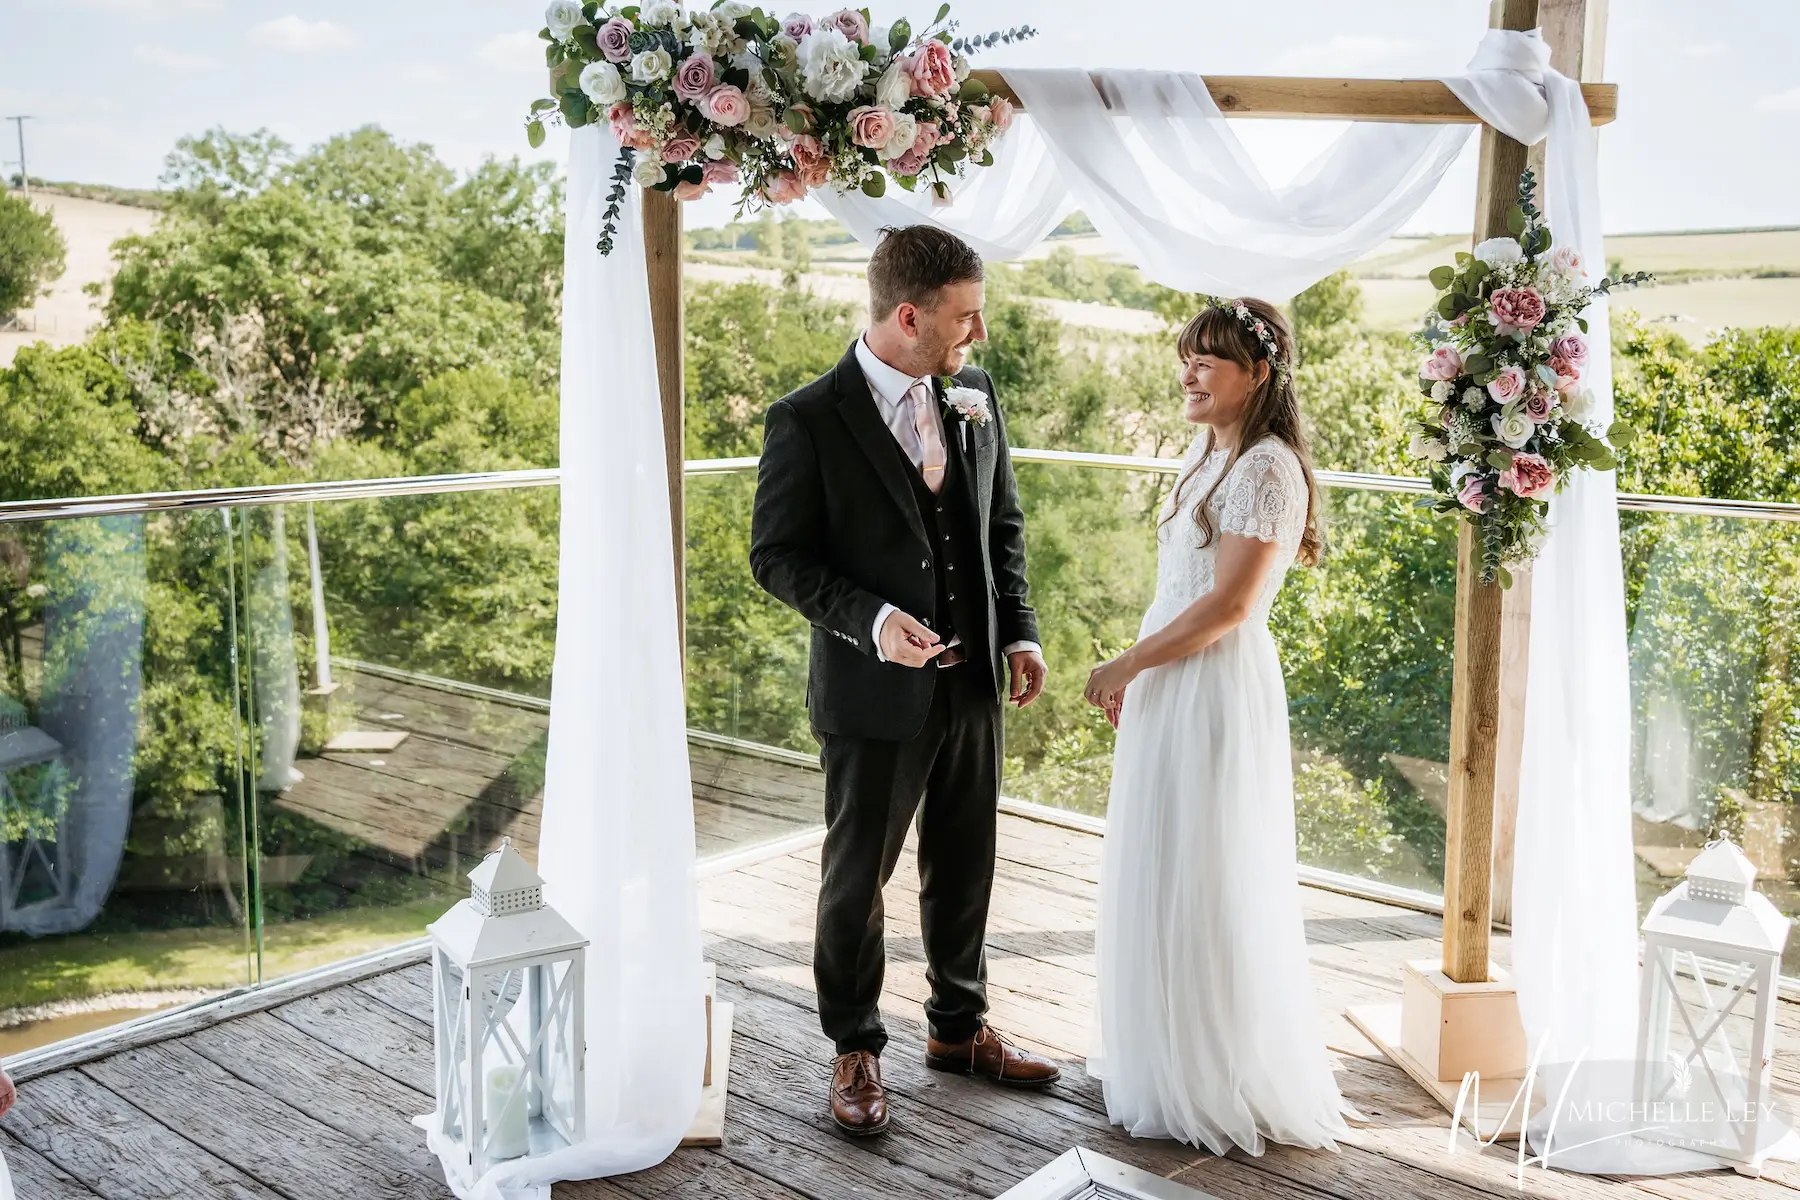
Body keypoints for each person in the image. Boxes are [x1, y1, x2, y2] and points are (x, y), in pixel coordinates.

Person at [750, 224, 1059, 1137]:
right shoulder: (807, 418)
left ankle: (958, 1031)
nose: (980, 337)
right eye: (967, 319)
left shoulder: (974, 392)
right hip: (871, 694)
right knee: (859, 881)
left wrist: (1021, 630)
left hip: (971, 684)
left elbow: (1001, 522)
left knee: (964, 865)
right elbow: (776, 558)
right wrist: (874, 622)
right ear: (910, 315)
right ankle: (855, 1048)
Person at [1083, 297, 1353, 1154]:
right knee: (1164, 860)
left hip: (1211, 685)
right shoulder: (1209, 450)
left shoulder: (1269, 469)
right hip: (1170, 676)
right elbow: (1178, 583)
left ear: (1259, 375)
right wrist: (1141, 661)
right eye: (1187, 357)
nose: (1189, 373)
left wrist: (1128, 663)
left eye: (1210, 361)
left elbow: (1231, 605)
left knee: (1207, 866)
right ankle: (1163, 1051)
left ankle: (1213, 1068)